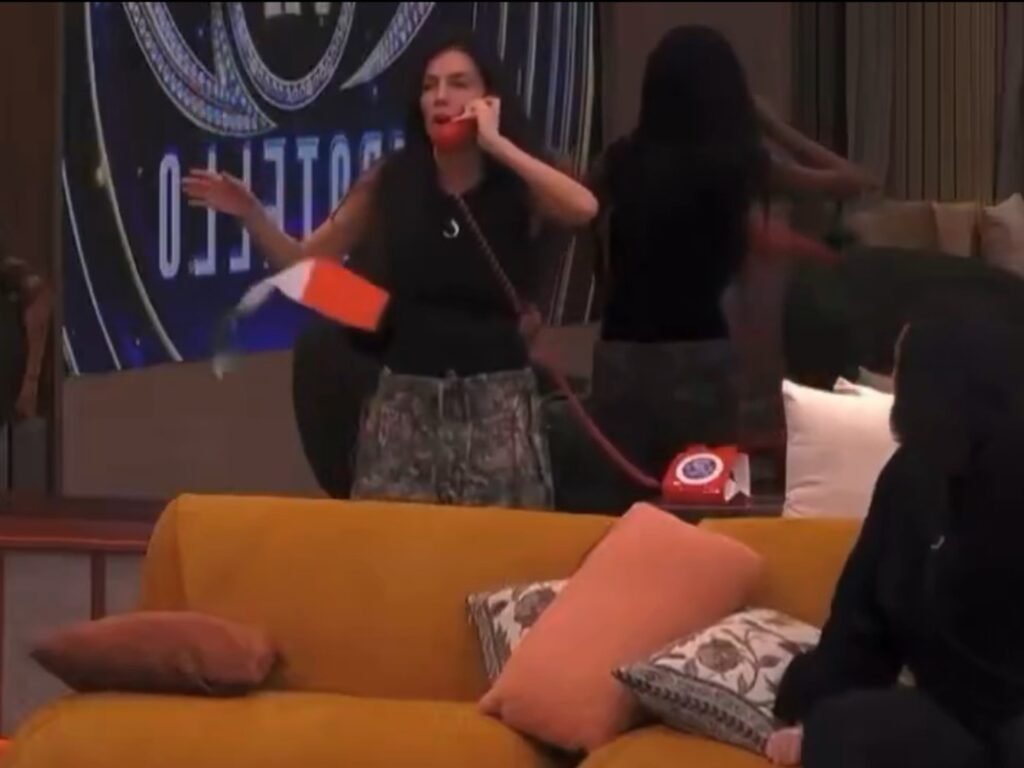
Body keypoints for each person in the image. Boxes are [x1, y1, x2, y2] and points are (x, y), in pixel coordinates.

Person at [184, 32, 597, 509]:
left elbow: (583, 208)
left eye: (458, 84)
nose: (440, 96)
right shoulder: (392, 180)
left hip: (497, 415)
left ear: (488, 99)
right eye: (430, 85)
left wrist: (498, 145)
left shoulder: (518, 183)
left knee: (498, 549)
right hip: (406, 410)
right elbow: (303, 263)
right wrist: (252, 214)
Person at [765, 293, 1024, 768]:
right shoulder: (909, 477)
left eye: (902, 366)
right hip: (953, 718)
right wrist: (811, 710)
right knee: (844, 728)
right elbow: (862, 624)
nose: (893, 379)